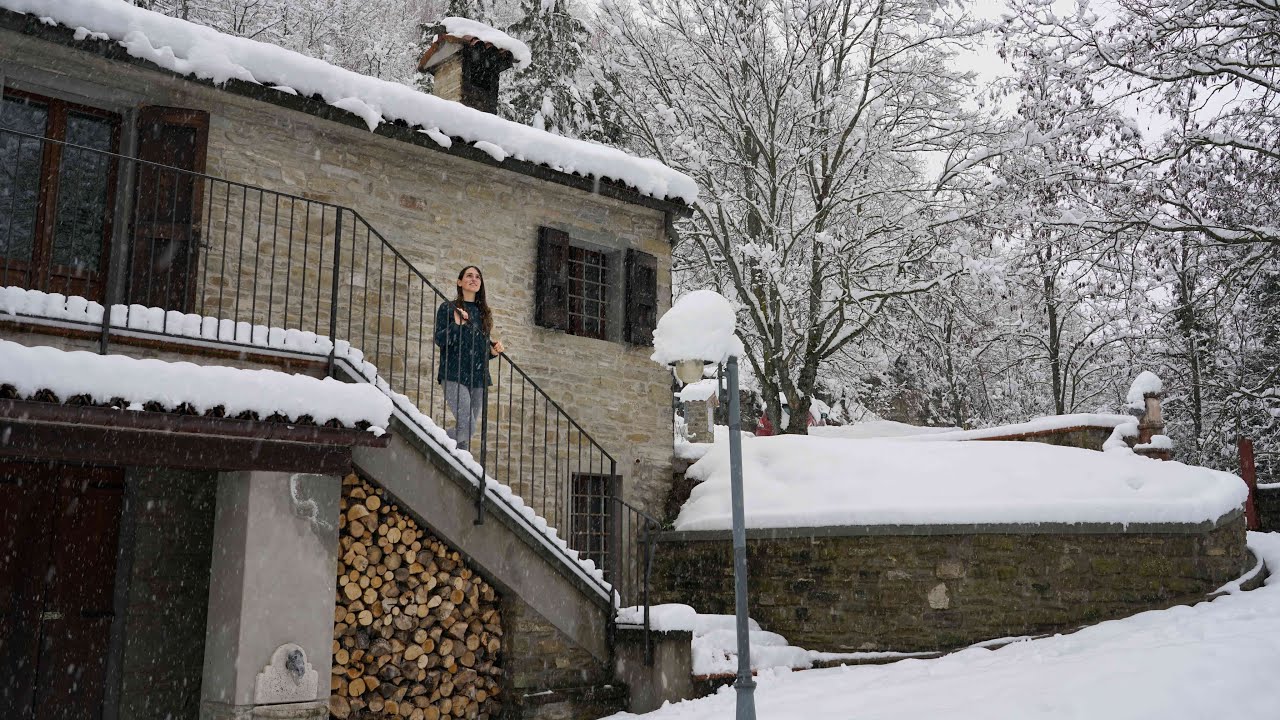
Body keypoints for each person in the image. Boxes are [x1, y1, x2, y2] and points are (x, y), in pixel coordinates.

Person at [434, 266, 504, 452]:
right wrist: (456, 325)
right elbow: (440, 340)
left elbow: (480, 348)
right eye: (469, 276)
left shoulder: (484, 313)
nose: (474, 279)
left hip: (478, 377)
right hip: (453, 373)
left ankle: (461, 463)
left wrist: (492, 352)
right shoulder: (448, 308)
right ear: (459, 282)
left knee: (465, 435)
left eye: (477, 277)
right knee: (468, 427)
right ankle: (433, 439)